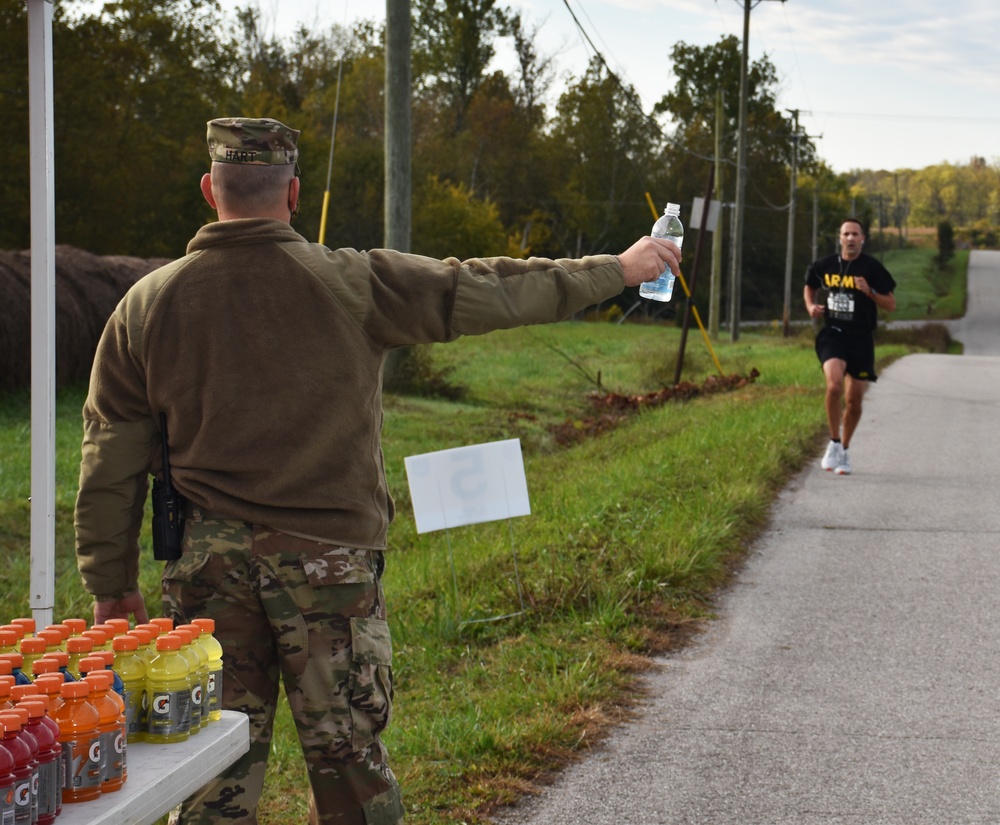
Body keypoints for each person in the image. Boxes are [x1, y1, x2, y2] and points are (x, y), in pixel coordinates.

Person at [73, 116, 682, 825]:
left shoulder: (144, 306)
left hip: (208, 571)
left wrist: (110, 586)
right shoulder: (354, 282)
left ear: (210, 190)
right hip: (330, 570)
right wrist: (619, 268)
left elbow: (108, 458)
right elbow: (491, 288)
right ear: (294, 193)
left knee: (213, 766)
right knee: (349, 765)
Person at [804, 217, 896, 476]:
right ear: (840, 238)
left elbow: (891, 304)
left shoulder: (872, 268)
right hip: (832, 334)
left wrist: (869, 292)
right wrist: (811, 306)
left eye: (856, 234)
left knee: (853, 400)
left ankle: (843, 449)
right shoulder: (825, 265)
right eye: (847, 234)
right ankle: (833, 442)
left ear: (863, 239)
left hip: (861, 339)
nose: (851, 238)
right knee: (833, 385)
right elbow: (809, 286)